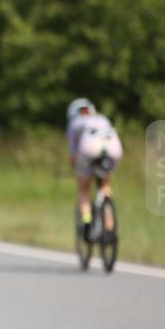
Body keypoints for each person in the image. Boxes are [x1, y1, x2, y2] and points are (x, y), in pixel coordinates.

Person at [66, 98, 123, 238]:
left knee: (84, 189)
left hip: (89, 149)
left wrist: (75, 167)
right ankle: (109, 226)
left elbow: (74, 153)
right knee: (105, 185)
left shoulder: (74, 123)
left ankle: (86, 220)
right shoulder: (102, 118)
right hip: (113, 147)